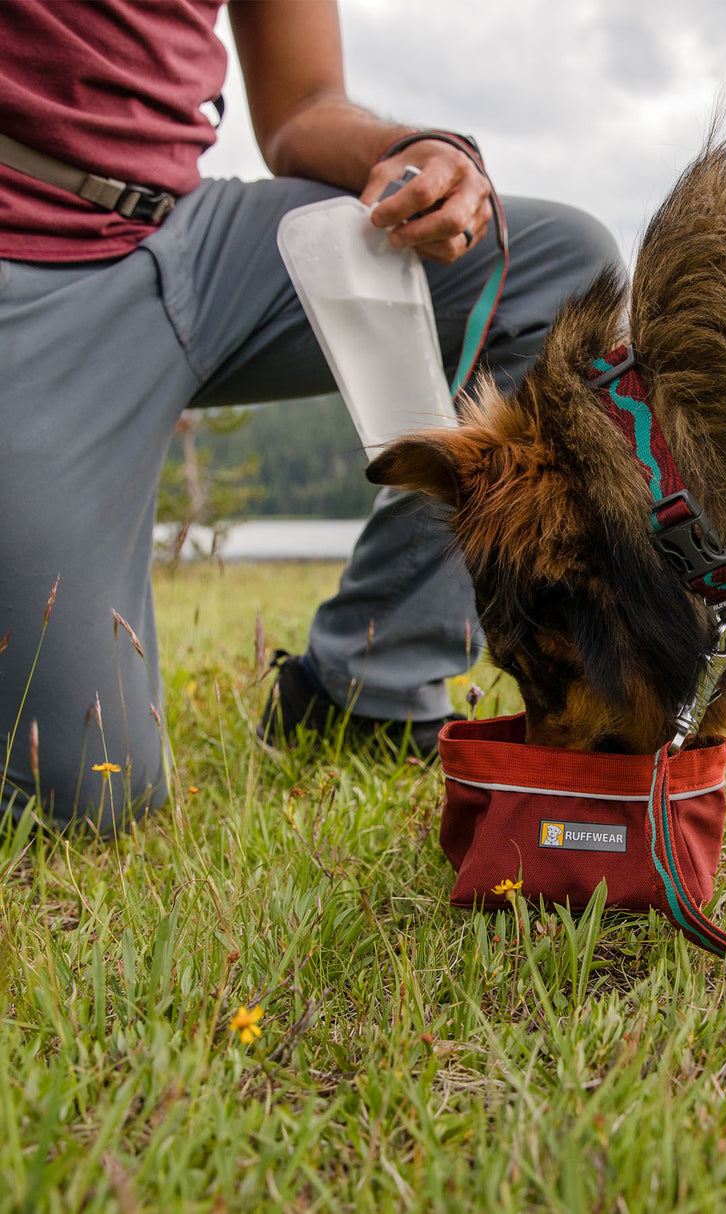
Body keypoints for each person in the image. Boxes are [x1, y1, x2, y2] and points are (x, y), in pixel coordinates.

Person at [0, 0, 621, 833]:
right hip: (25, 249)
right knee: (86, 795)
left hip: (191, 242)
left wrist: (409, 154)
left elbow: (299, 110)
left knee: (559, 264)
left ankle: (366, 688)